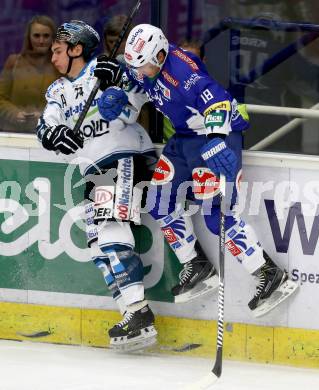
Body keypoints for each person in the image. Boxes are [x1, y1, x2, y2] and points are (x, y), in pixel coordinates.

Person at [94, 23, 299, 317]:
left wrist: (216, 142)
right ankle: (197, 265)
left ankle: (268, 273)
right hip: (185, 138)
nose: (140, 70)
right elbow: (133, 86)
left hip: (215, 135)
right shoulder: (145, 64)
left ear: (161, 54)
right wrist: (114, 91)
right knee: (159, 202)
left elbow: (218, 105)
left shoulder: (183, 72)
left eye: (144, 64)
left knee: (217, 214)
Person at [36, 20, 157, 351]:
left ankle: (139, 311)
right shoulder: (59, 90)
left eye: (59, 49)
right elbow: (46, 125)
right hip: (94, 169)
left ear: (77, 48)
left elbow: (143, 92)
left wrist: (119, 80)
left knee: (109, 229)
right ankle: (131, 313)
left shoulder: (107, 67)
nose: (53, 57)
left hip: (123, 157)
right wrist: (55, 134)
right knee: (98, 246)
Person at [0, 15, 59, 133]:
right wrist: (14, 113)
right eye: (36, 36)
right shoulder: (14, 62)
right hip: (14, 134)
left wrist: (45, 115)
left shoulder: (60, 66)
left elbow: (69, 102)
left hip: (49, 134)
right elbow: (1, 98)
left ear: (53, 38)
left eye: (46, 36)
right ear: (29, 37)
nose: (41, 41)